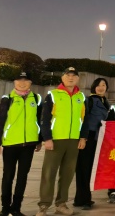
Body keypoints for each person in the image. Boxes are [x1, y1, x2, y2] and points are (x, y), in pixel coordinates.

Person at [37, 67, 87, 216]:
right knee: (49, 173)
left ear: (78, 79)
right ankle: (44, 205)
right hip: (56, 140)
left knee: (67, 174)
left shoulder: (81, 97)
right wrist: (47, 138)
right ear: (62, 78)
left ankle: (61, 203)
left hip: (73, 140)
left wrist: (83, 137)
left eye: (74, 76)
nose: (71, 78)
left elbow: (84, 119)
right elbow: (45, 118)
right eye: (68, 75)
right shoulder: (53, 95)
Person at [0, 71, 42, 216]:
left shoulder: (36, 98)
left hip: (29, 144)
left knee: (22, 177)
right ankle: (5, 207)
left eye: (26, 80)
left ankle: (16, 207)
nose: (22, 83)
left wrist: (39, 140)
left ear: (30, 83)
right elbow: (0, 121)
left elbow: (39, 120)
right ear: (14, 82)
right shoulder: (8, 99)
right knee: (8, 176)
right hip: (11, 144)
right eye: (19, 80)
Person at [74, 77, 110, 210]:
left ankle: (80, 199)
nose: (101, 87)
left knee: (88, 169)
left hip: (97, 138)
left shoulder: (105, 102)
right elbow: (84, 119)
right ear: (94, 87)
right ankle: (85, 200)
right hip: (88, 137)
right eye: (98, 85)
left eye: (104, 85)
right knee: (84, 168)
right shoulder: (89, 100)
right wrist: (82, 137)